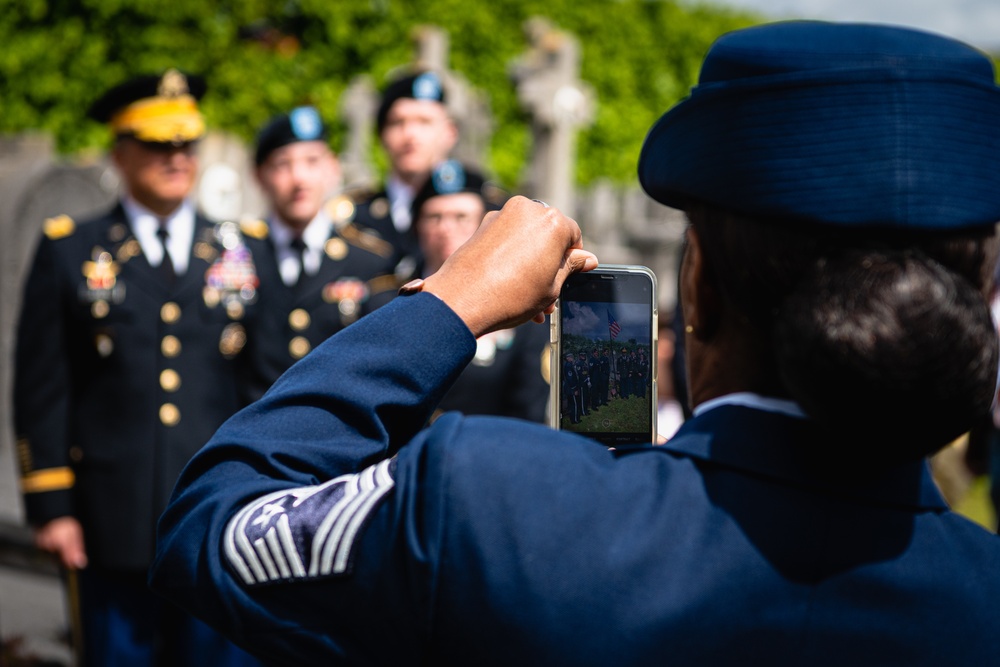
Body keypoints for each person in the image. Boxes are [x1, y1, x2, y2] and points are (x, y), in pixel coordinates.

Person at [151, 23, 1000, 665]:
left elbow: (210, 520)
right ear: (976, 298)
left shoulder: (489, 505)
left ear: (695, 283)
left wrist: (448, 303)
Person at [14, 70, 260, 665]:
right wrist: (51, 506)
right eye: (157, 145)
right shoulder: (71, 247)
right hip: (107, 522)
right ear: (120, 153)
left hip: (213, 519)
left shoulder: (241, 249)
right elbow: (43, 385)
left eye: (186, 145)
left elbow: (259, 381)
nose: (176, 158)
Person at [369, 160, 550, 422]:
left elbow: (528, 411)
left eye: (461, 217)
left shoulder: (521, 308)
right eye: (434, 217)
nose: (446, 228)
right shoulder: (383, 302)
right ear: (417, 225)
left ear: (484, 225)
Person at [239, 106, 395, 401]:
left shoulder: (369, 261)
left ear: (332, 168)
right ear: (260, 176)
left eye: (312, 161)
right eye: (283, 164)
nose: (299, 178)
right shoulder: (238, 255)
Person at [350, 70, 458, 264]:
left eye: (424, 122)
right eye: (397, 122)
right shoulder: (354, 219)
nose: (410, 134)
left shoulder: (485, 214)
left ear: (450, 132)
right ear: (381, 135)